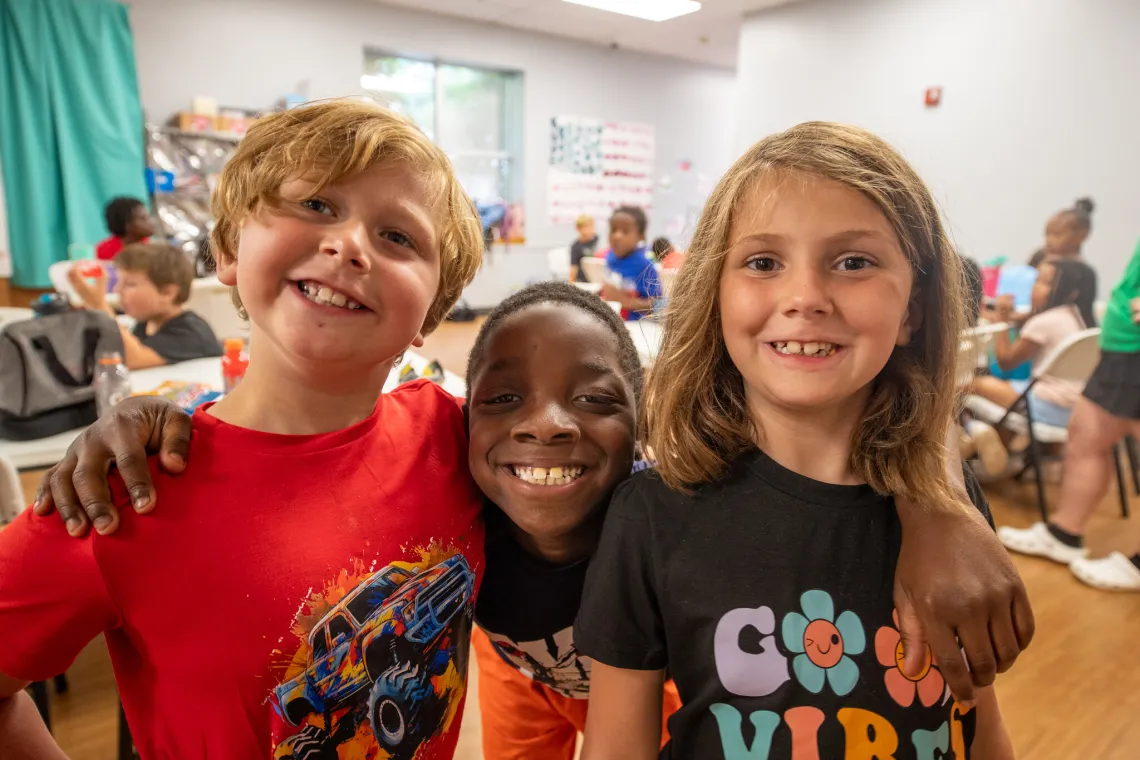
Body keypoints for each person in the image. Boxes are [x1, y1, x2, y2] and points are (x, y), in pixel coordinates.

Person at [36, 262, 1034, 759]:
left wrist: (938, 498)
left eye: (598, 400)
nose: (547, 427)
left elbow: (843, 414)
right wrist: (164, 418)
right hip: (518, 681)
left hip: (663, 682)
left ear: (647, 425)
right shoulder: (444, 465)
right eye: (503, 399)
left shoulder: (679, 496)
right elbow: (299, 441)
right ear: (467, 418)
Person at [0, 99, 487, 759]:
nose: (348, 244)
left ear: (432, 310)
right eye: (317, 205)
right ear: (228, 248)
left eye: (398, 237)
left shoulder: (455, 436)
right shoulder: (123, 492)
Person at [575, 122, 1018, 759]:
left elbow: (981, 727)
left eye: (854, 262)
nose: (805, 296)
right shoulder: (652, 515)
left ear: (913, 311)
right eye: (763, 262)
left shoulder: (950, 510)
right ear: (714, 293)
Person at [999, 240, 1140, 592]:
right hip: (1121, 346)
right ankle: (1064, 532)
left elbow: (1006, 361)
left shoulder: (1046, 320)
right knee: (1088, 435)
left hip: (1132, 349)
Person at [964, 259, 1098, 473]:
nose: (1034, 287)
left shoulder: (1045, 321)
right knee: (1010, 386)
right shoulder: (1077, 317)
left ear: (1070, 291)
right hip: (1072, 408)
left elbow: (1006, 362)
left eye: (1043, 282)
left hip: (1043, 406)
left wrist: (1003, 322)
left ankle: (968, 433)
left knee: (970, 384)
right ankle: (989, 446)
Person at [67, 242, 223, 368]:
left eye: (130, 284)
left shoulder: (191, 331)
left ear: (168, 292)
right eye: (119, 282)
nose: (117, 290)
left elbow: (132, 359)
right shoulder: (144, 324)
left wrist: (98, 304)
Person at [599, 206, 660, 321]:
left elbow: (659, 304)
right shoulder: (610, 257)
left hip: (635, 327)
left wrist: (625, 302)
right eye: (613, 230)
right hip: (610, 323)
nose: (617, 236)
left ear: (641, 236)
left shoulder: (644, 266)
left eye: (625, 231)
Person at [95, 196, 156, 261]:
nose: (152, 221)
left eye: (149, 216)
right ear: (127, 225)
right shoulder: (105, 251)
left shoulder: (154, 249)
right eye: (143, 218)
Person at [1042, 197, 1094, 262]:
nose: (1049, 240)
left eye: (1057, 234)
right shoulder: (1039, 258)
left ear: (1080, 235)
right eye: (1047, 234)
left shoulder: (1078, 269)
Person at [570, 214, 600, 282]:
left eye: (592, 226)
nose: (591, 229)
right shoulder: (576, 247)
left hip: (597, 277)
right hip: (583, 279)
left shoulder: (596, 239)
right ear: (579, 229)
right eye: (587, 226)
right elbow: (573, 268)